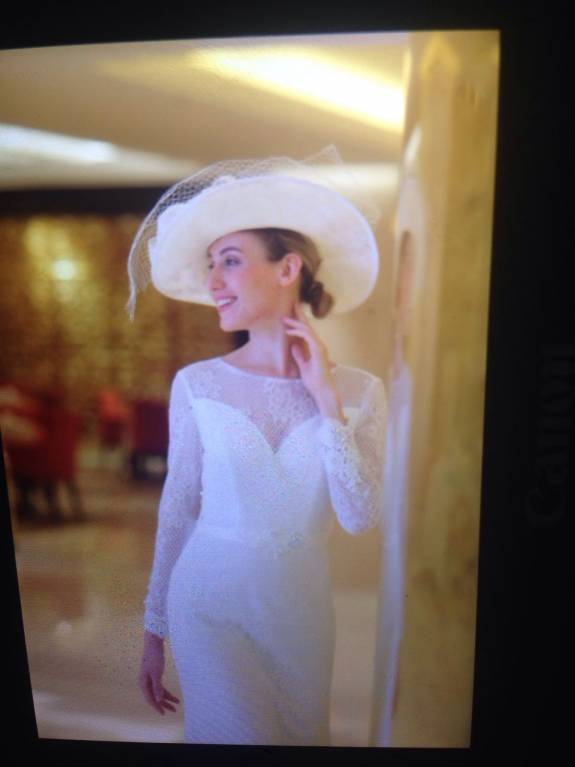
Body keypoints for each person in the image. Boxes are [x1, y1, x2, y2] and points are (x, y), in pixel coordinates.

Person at [128, 148, 393, 746]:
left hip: (300, 616)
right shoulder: (197, 385)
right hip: (208, 603)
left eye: (230, 261)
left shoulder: (360, 392)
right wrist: (153, 628)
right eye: (211, 266)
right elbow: (178, 506)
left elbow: (360, 517)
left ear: (286, 268)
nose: (213, 283)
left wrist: (325, 401)